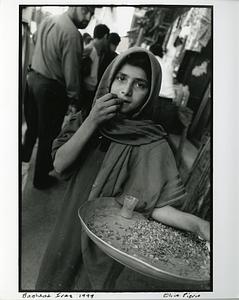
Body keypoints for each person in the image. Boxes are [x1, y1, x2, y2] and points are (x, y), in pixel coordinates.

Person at [35, 47, 210, 291]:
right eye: (121, 78)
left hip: (108, 243)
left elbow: (154, 204)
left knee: (88, 287)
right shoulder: (88, 118)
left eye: (140, 85)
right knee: (53, 280)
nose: (126, 91)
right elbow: (60, 164)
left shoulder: (150, 142)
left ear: (151, 93)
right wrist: (93, 121)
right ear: (109, 79)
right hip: (69, 226)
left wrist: (198, 225)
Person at [21, 7, 95, 189]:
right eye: (86, 11)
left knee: (32, 128)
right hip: (51, 89)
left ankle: (22, 160)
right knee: (48, 136)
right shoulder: (72, 34)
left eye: (91, 14)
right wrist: (74, 98)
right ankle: (40, 179)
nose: (88, 17)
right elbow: (71, 72)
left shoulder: (48, 20)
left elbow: (35, 38)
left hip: (32, 80)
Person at [81, 24, 110, 119]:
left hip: (88, 90)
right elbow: (81, 72)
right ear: (105, 36)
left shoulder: (96, 50)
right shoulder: (90, 50)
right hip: (85, 91)